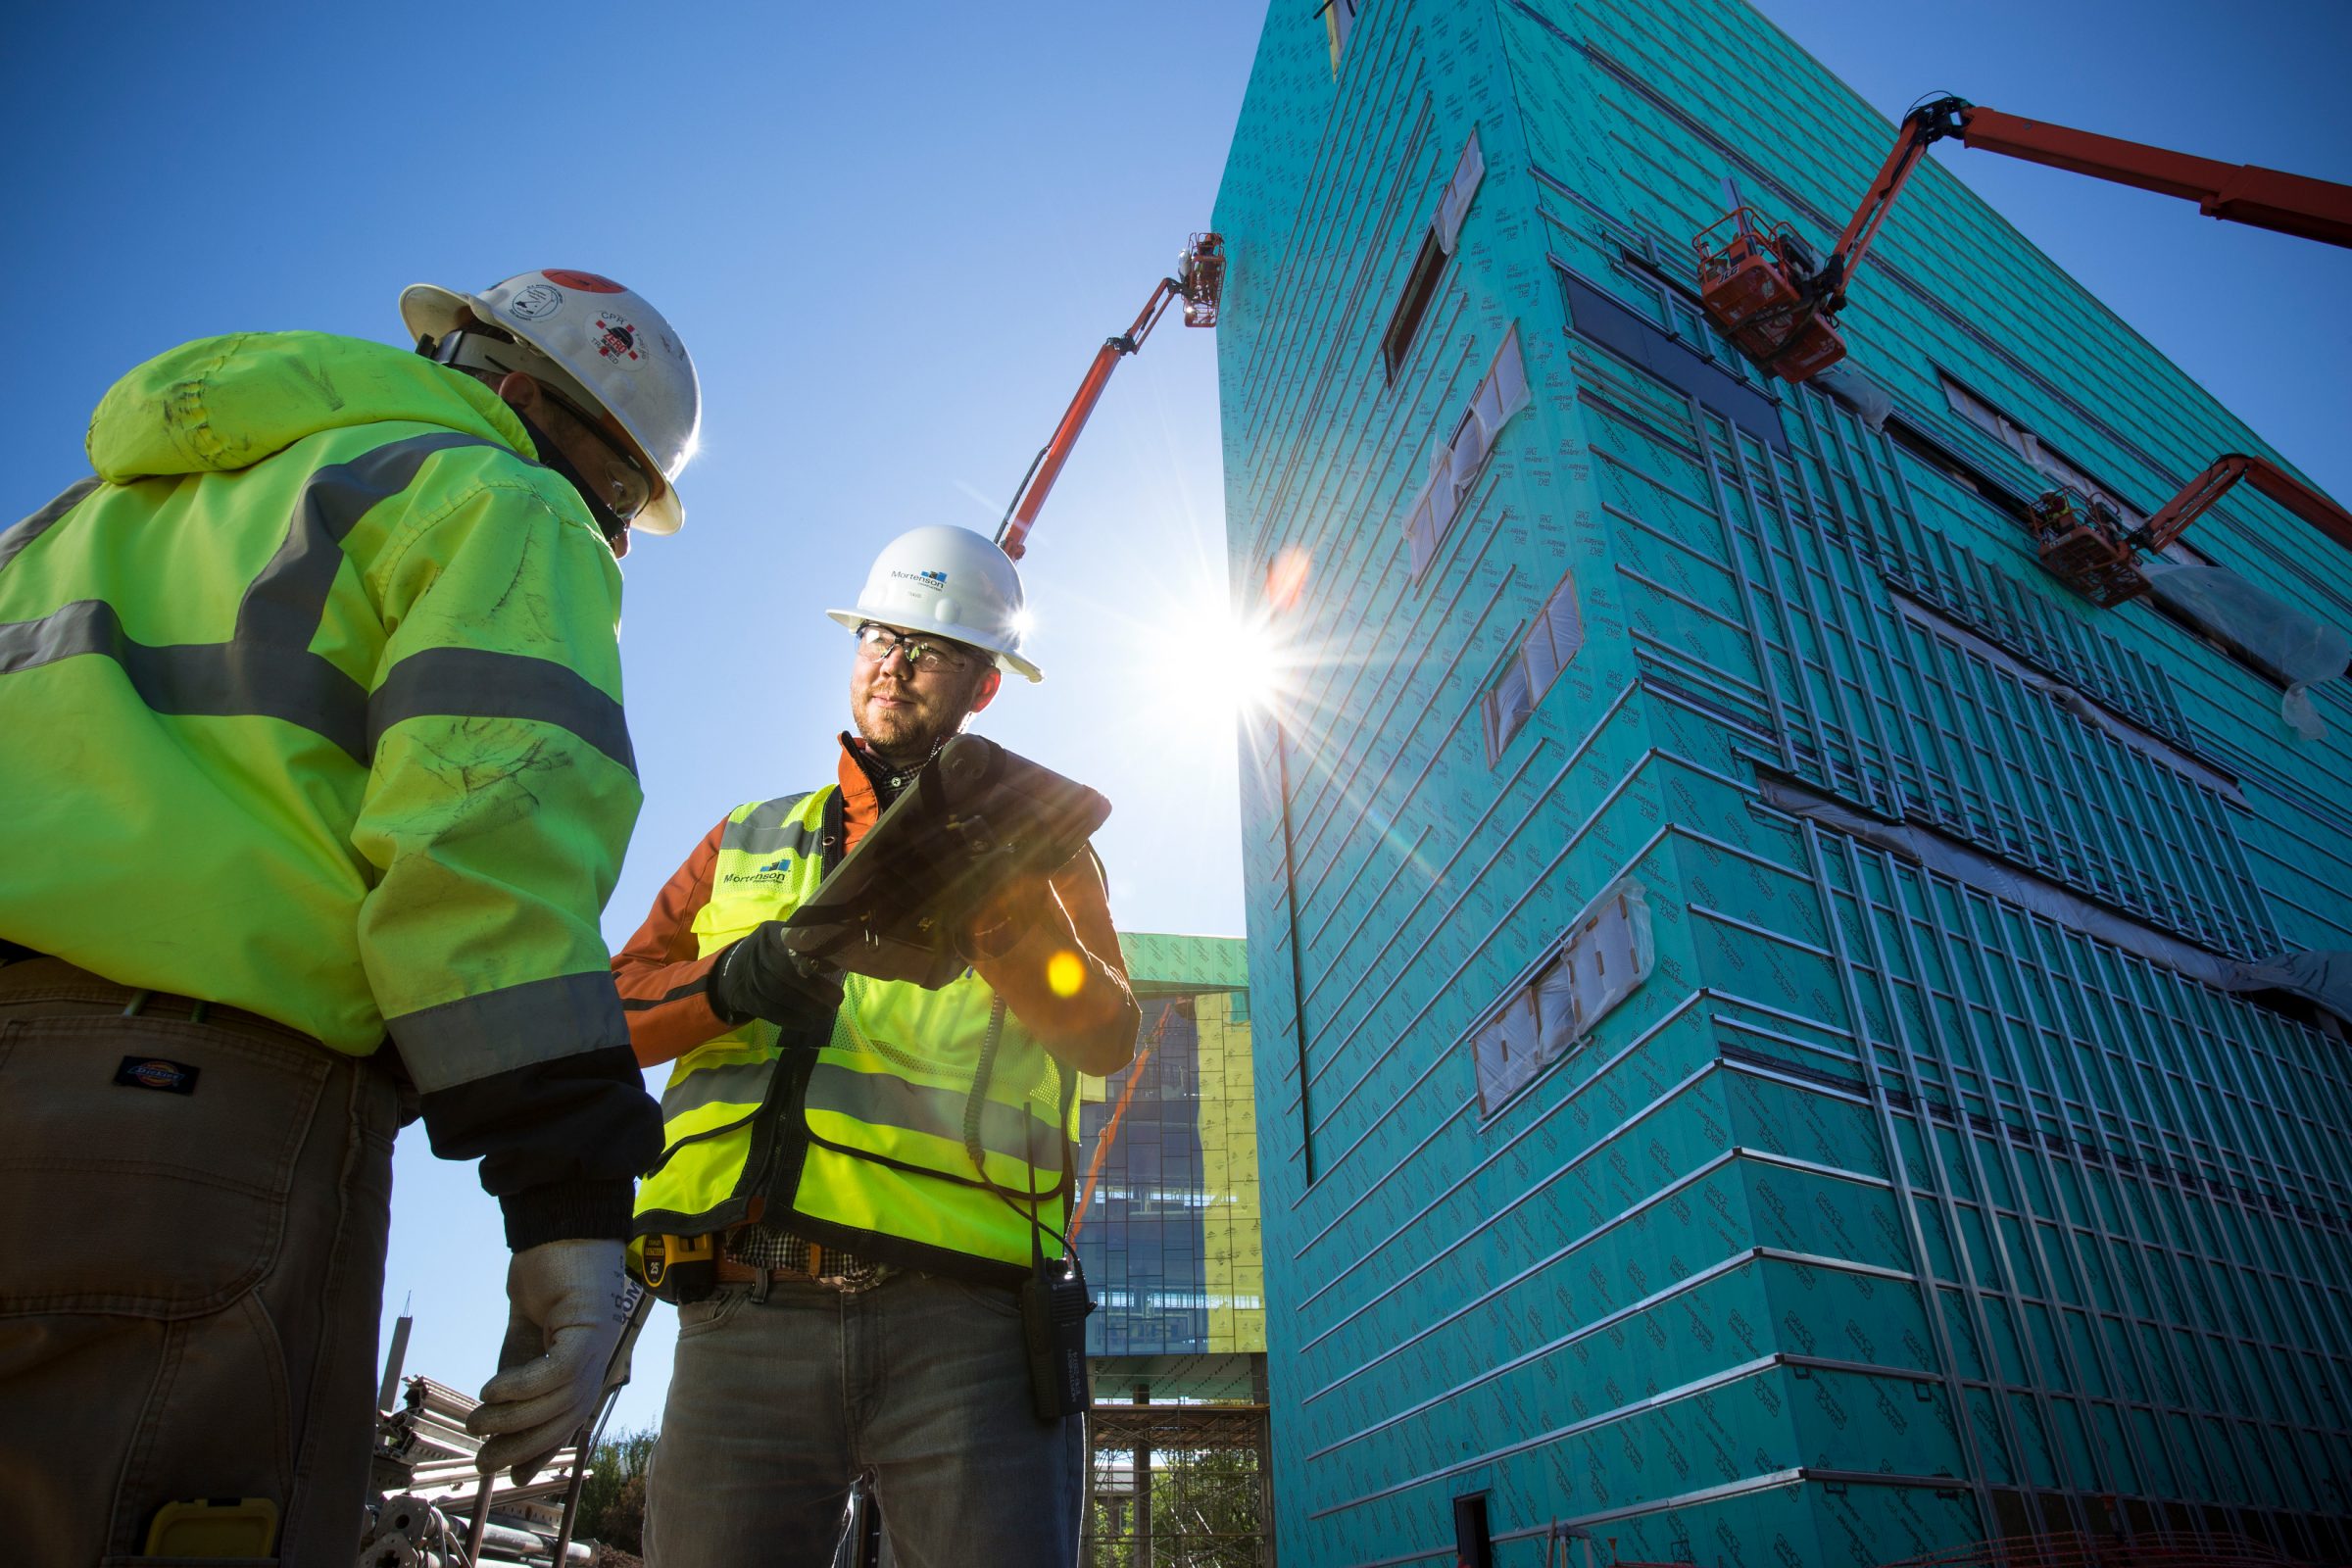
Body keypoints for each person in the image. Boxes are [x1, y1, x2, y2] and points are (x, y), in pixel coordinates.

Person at [0, 269, 699, 1564]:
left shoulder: (81, 517)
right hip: (188, 1124)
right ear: (540, 411)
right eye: (616, 498)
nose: (603, 538)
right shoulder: (494, 497)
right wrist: (568, 1196)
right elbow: (485, 856)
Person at [612, 524, 1142, 1567]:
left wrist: (997, 909)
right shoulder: (747, 836)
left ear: (983, 688)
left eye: (931, 650)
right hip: (743, 1316)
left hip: (968, 1333)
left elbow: (1102, 1030)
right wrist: (729, 983)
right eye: (878, 638)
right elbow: (610, 1008)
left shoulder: (1047, 854)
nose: (892, 664)